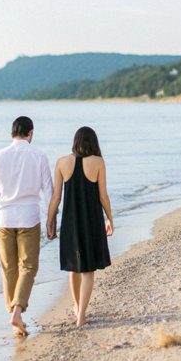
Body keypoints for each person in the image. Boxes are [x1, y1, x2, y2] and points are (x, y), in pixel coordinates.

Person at [0, 115, 52, 336]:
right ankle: (17, 310)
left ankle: (14, 312)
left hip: (3, 218)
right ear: (30, 133)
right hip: (29, 218)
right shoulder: (39, 156)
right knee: (29, 266)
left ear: (12, 133)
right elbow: (49, 192)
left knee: (8, 267)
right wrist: (52, 219)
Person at [45, 125, 114, 327]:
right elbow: (103, 196)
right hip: (91, 221)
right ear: (93, 142)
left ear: (75, 141)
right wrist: (110, 219)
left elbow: (56, 197)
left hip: (70, 223)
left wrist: (50, 220)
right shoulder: (98, 162)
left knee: (73, 269)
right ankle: (81, 314)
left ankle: (77, 308)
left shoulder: (61, 163)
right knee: (88, 271)